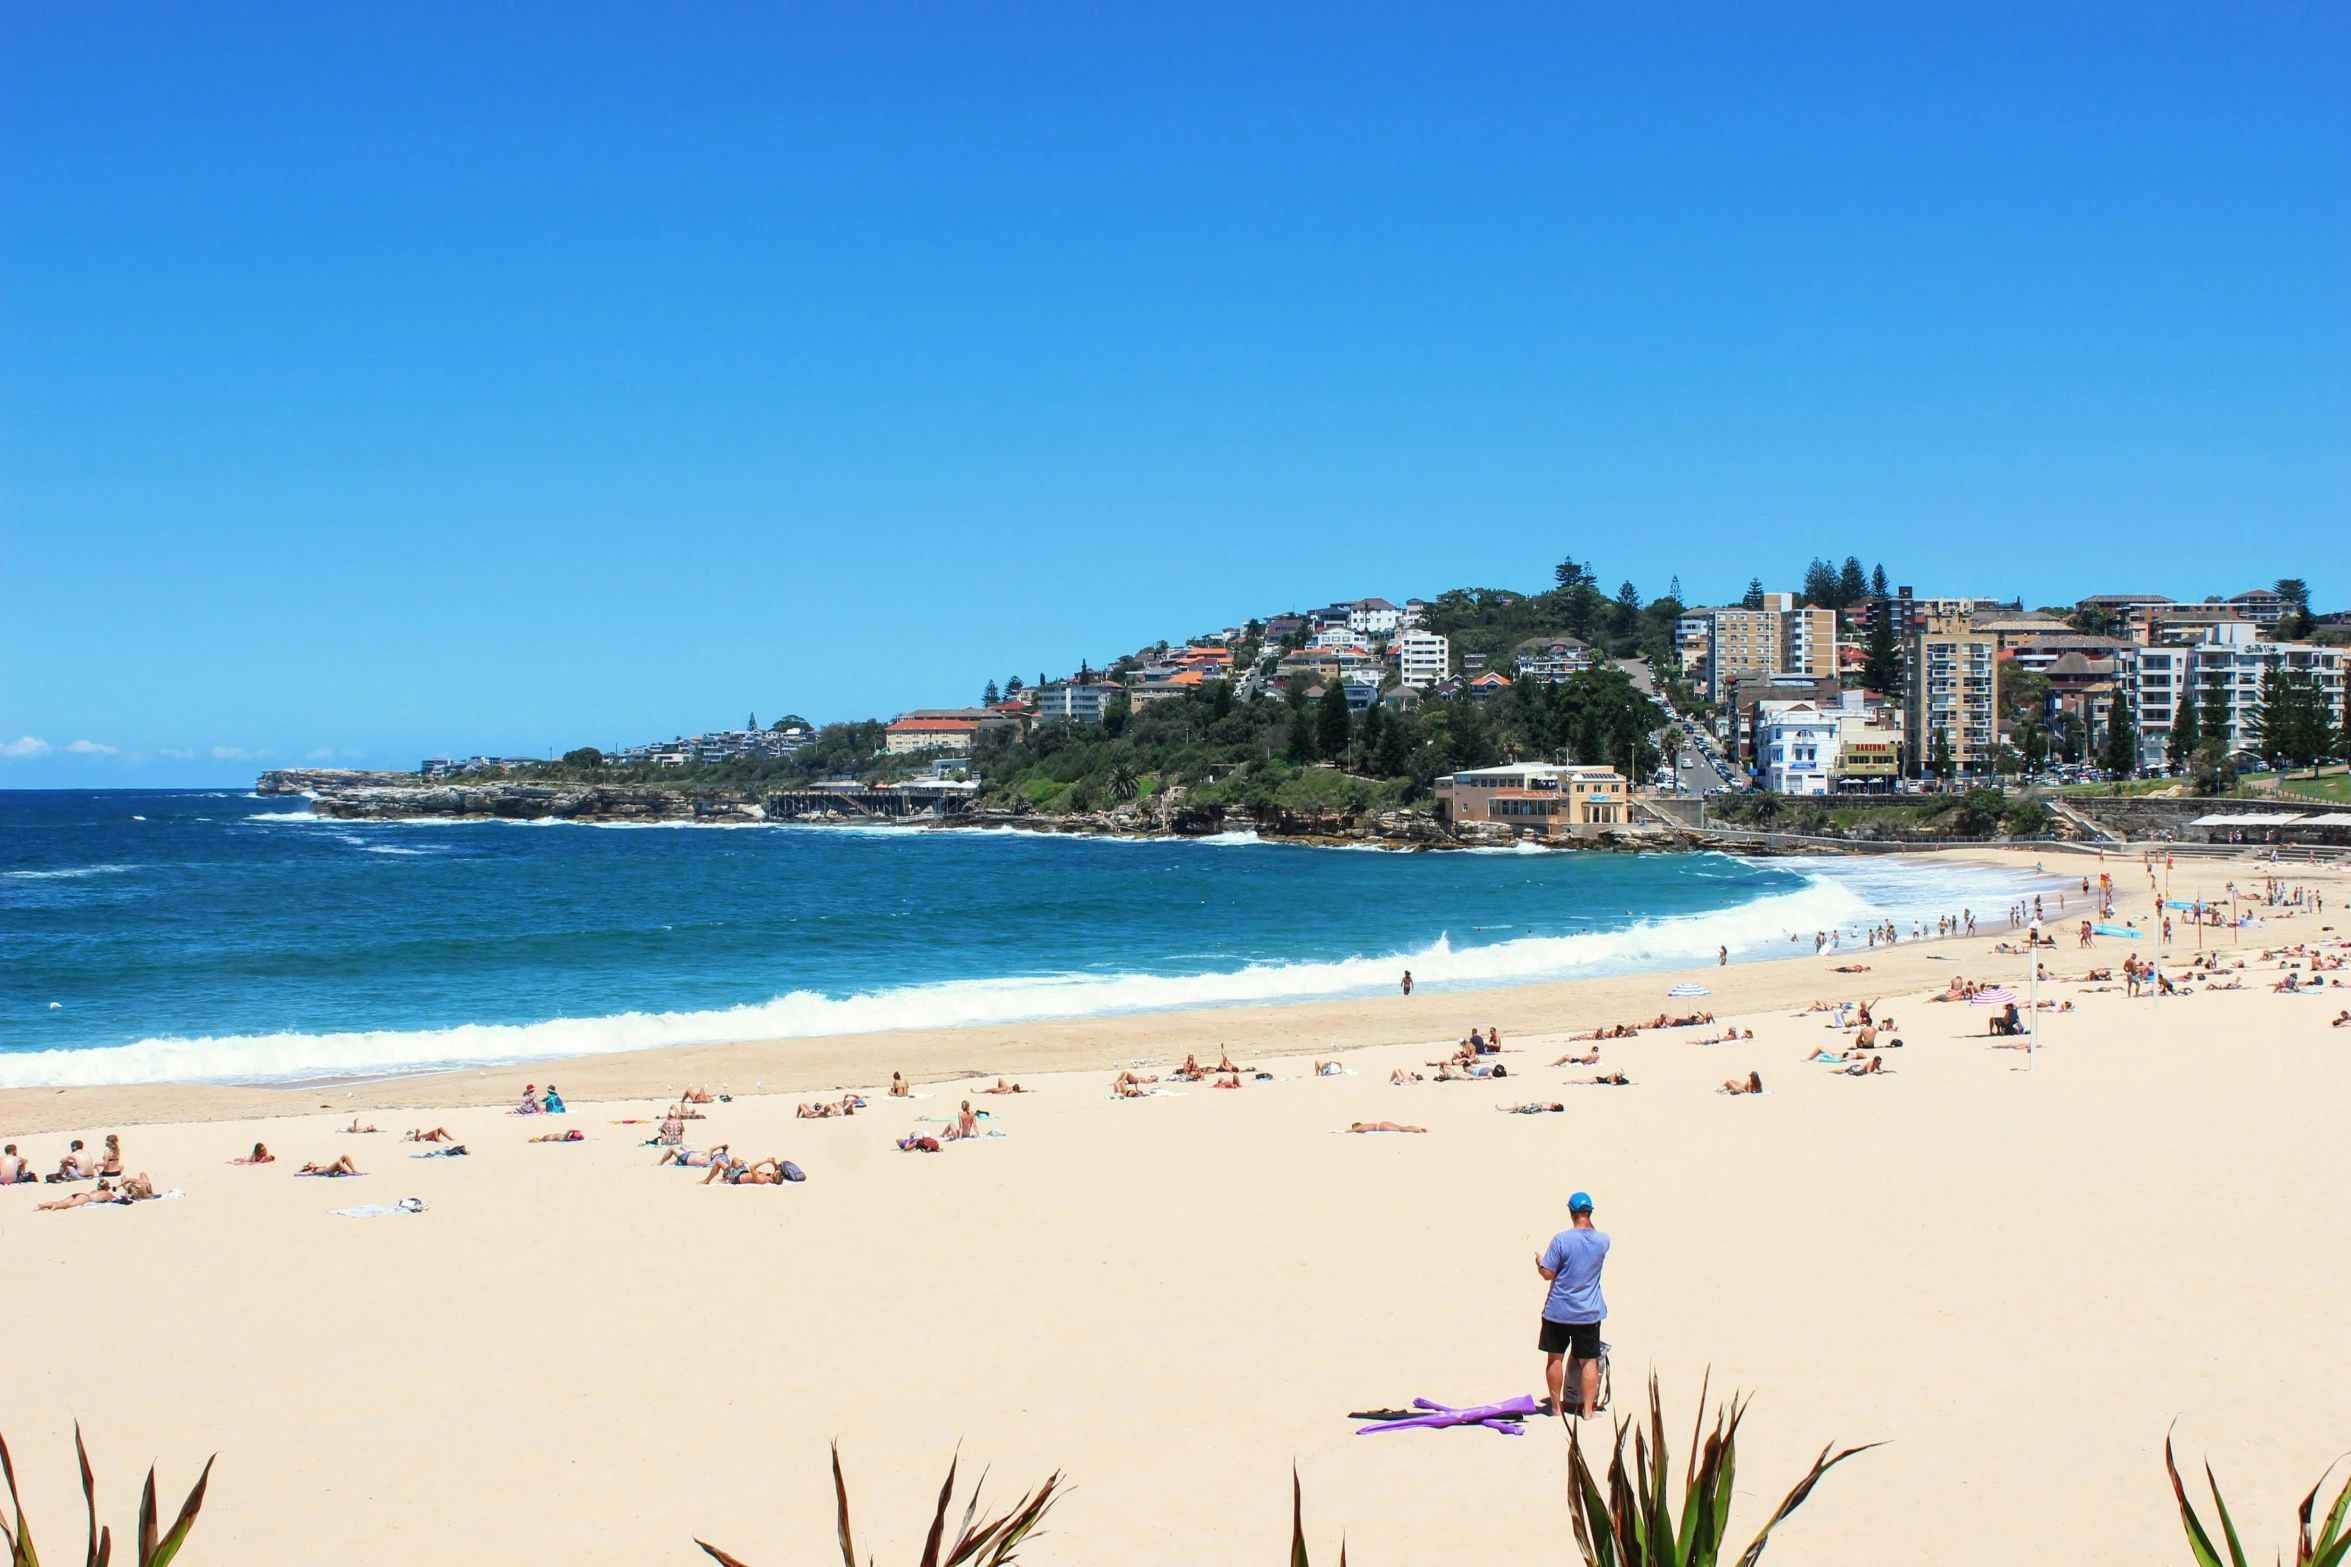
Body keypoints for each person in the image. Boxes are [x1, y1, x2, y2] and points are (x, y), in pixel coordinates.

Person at [1537, 1192, 1610, 1421]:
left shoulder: (1561, 1240)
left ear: (1571, 1212)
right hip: (1587, 1311)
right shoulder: (1603, 1240)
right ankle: (1588, 1411)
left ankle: (1556, 1408)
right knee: (1589, 1360)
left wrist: (1540, 1263)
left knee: (1555, 1358)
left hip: (1559, 1309)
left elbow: (1549, 1273)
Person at [1344, 1121, 1426, 1133]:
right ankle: (1419, 1128)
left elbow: (1348, 1131)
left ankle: (1417, 1130)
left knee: (1400, 1129)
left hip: (1380, 1127)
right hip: (1382, 1123)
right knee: (1401, 1127)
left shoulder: (1360, 1127)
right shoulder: (1365, 1125)